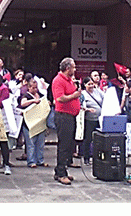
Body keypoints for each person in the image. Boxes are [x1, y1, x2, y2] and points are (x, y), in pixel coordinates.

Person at [52, 57, 81, 185]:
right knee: (64, 145)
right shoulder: (58, 80)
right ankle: (61, 173)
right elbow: (60, 98)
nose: (75, 69)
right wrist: (74, 96)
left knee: (69, 145)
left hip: (71, 115)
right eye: (73, 67)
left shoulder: (69, 80)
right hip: (63, 116)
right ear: (67, 68)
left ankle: (61, 169)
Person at [18, 77, 48, 168]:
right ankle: (31, 161)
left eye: (36, 87)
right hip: (29, 123)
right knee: (31, 144)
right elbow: (23, 104)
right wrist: (33, 101)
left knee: (40, 144)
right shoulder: (26, 96)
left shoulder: (40, 95)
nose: (35, 89)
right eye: (33, 88)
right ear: (29, 88)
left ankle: (40, 160)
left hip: (40, 122)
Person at [80, 75, 104, 166]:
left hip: (100, 119)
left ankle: (97, 157)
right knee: (88, 139)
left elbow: (105, 99)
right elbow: (81, 105)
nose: (91, 86)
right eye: (89, 84)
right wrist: (87, 109)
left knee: (99, 139)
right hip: (89, 119)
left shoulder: (98, 91)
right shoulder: (83, 94)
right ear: (85, 85)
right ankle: (86, 158)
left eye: (92, 84)